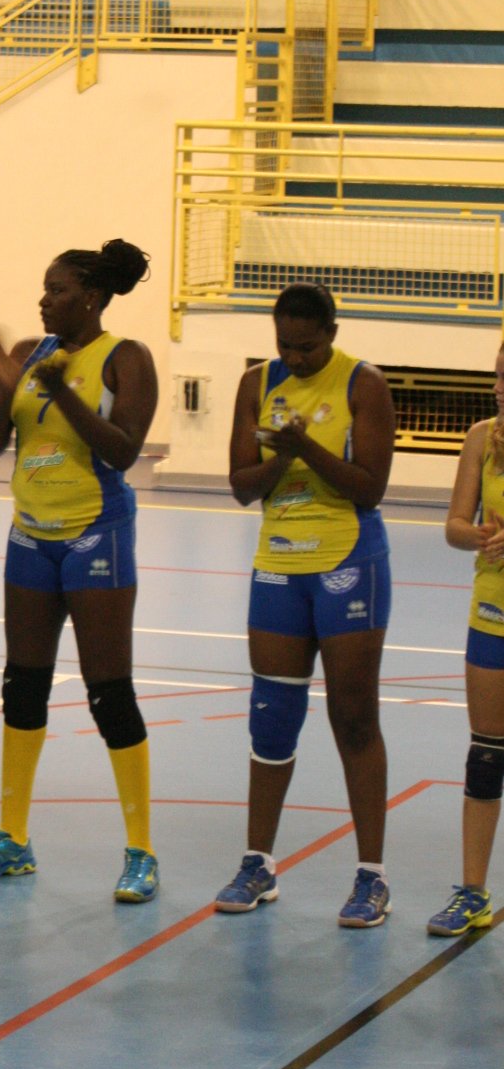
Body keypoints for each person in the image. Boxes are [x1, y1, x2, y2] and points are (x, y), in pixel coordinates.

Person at [0, 240, 161, 902]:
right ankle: (12, 839)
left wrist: (61, 393)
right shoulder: (29, 355)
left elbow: (123, 451)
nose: (43, 300)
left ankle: (141, 851)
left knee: (109, 693)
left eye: (57, 289)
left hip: (96, 534)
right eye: (43, 288)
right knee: (22, 687)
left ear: (91, 297)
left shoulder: (126, 358)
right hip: (30, 537)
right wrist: (5, 384)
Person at [216, 283, 396, 927]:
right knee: (271, 716)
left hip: (348, 562)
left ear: (332, 334)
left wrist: (305, 449)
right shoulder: (256, 384)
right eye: (284, 344)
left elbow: (370, 488)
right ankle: (257, 864)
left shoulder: (364, 384)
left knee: (354, 718)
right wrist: (279, 461)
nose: (294, 357)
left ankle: (372, 877)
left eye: (307, 347)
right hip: (279, 565)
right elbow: (241, 486)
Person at [431, 347, 504, 935]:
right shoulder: (482, 439)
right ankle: (473, 892)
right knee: (486, 755)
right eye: (500, 376)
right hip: (493, 611)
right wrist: (476, 535)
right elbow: (454, 526)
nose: (501, 388)